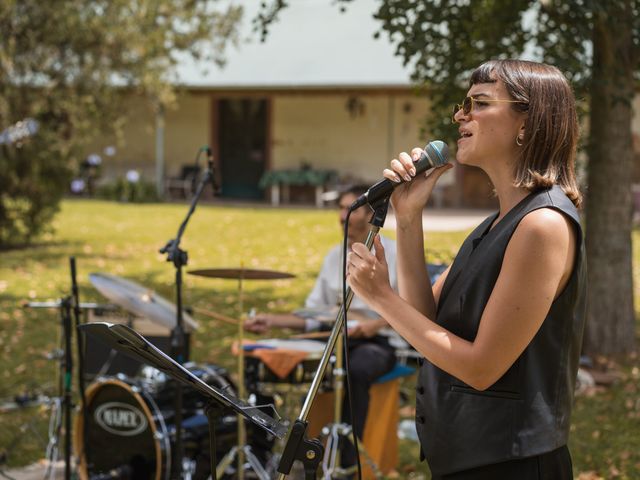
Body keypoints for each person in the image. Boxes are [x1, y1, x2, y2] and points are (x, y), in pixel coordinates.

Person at [347, 60, 586, 479]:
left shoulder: (542, 225)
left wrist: (380, 297)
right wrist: (407, 218)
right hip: (464, 461)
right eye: (464, 104)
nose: (461, 115)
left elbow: (481, 368)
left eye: (479, 103)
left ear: (527, 124)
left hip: (511, 466)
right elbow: (426, 327)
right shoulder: (495, 224)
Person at [244, 185, 399, 466]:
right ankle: (261, 451)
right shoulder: (333, 256)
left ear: (371, 213)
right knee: (263, 358)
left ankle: (347, 462)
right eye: (340, 208)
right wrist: (271, 321)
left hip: (377, 342)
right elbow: (314, 315)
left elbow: (411, 309)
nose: (342, 215)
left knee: (355, 369)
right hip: (333, 337)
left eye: (350, 208)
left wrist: (375, 325)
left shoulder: (394, 252)